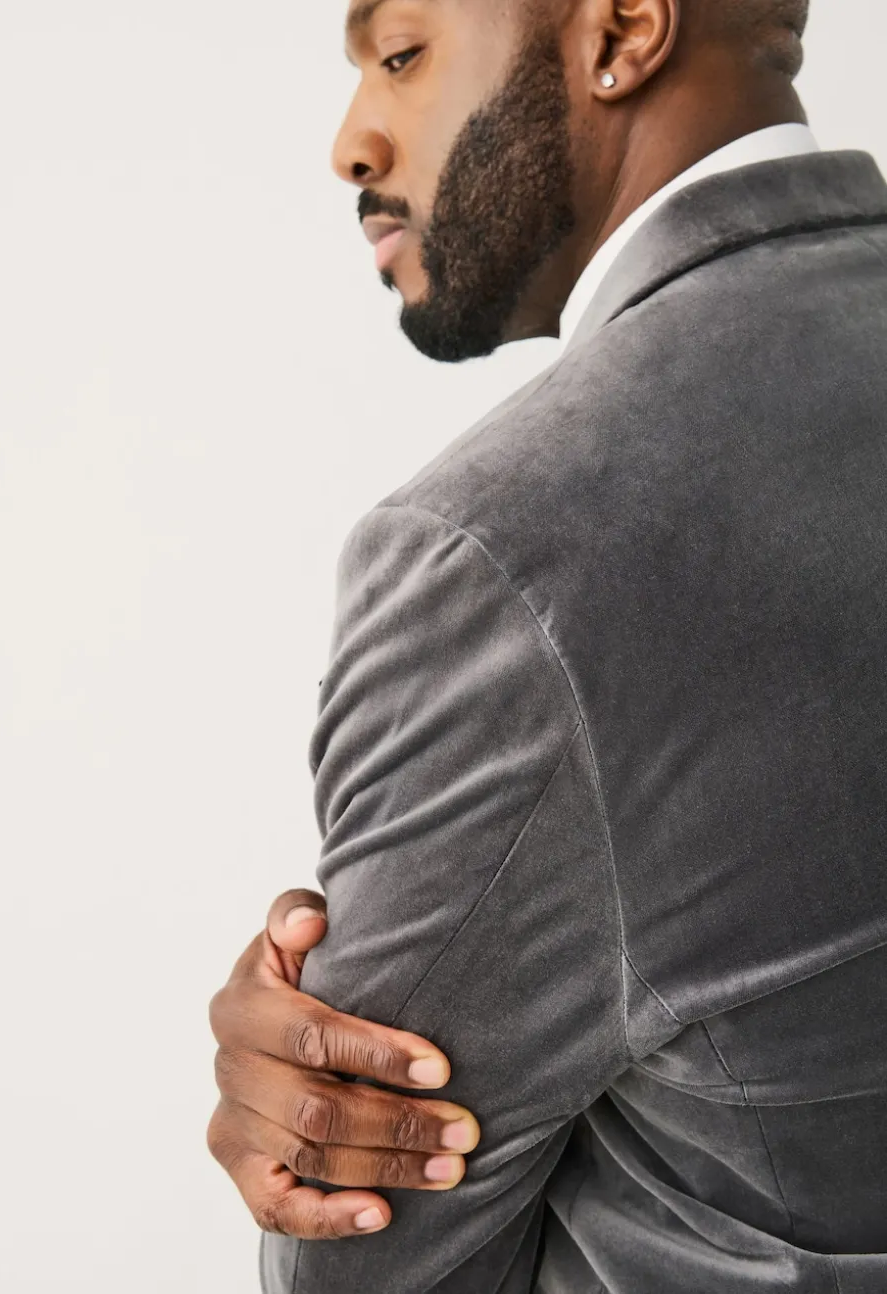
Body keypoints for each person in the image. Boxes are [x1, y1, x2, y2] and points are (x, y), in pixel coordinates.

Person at [207, 0, 887, 1288]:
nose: (354, 142)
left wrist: (311, 1124)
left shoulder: (503, 555)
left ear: (623, 31)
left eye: (400, 54)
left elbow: (372, 1266)